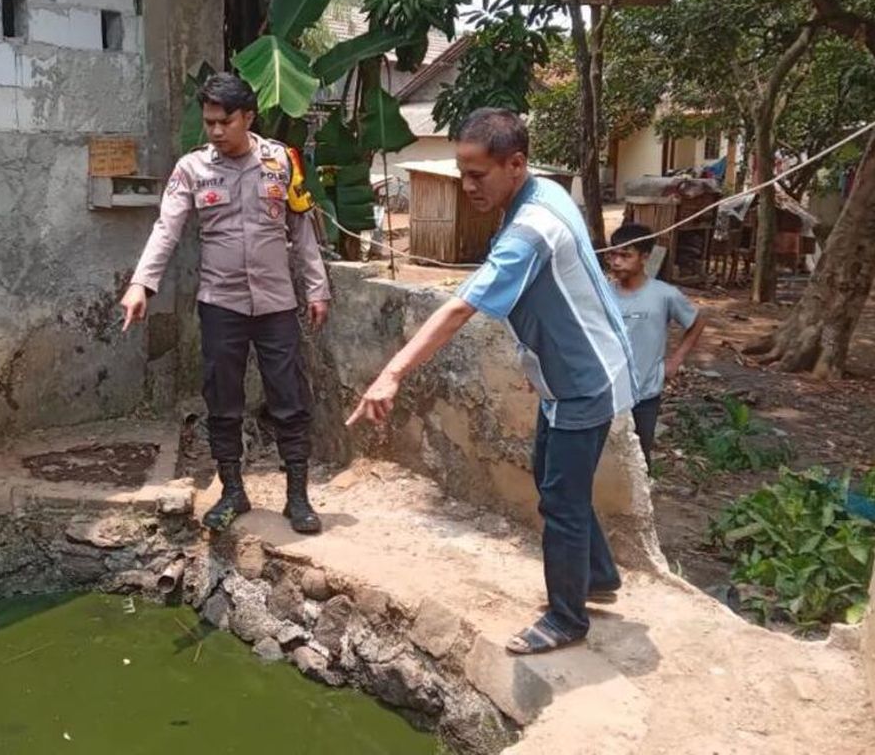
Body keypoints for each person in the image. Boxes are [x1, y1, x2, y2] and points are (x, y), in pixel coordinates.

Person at [346, 108, 636, 655]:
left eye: (478, 174)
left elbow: (461, 308)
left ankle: (566, 619)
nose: (468, 186)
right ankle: (597, 575)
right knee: (555, 481)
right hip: (572, 370)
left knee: (561, 499)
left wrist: (391, 373)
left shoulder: (529, 229)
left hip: (584, 378)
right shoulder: (542, 194)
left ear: (516, 164)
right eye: (463, 173)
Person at [120, 73, 331, 535]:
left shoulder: (281, 161)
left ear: (248, 117)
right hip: (221, 303)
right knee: (222, 400)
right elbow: (166, 228)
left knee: (289, 399)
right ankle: (233, 490)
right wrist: (142, 284)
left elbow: (302, 229)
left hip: (277, 304)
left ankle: (297, 496)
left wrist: (317, 288)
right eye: (209, 122)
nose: (215, 131)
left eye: (225, 121)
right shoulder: (192, 169)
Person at [607, 223, 707, 468]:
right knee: (605, 459)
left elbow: (698, 320)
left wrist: (676, 360)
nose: (617, 262)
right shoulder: (603, 294)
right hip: (606, 394)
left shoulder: (664, 295)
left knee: (639, 460)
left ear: (645, 257)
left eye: (626, 255)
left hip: (645, 394)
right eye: (613, 254)